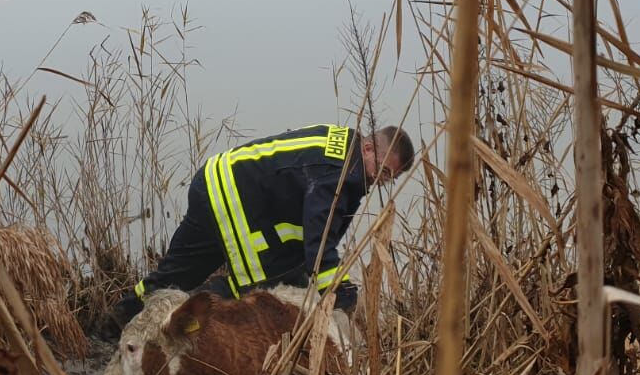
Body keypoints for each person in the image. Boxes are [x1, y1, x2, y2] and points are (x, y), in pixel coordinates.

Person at [112, 123, 414, 326]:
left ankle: (119, 319)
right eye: (383, 171)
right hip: (233, 198)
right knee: (261, 284)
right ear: (370, 148)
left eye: (390, 179)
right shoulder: (341, 172)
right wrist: (339, 292)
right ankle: (180, 319)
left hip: (216, 181)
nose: (381, 180)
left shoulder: (344, 143)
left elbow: (315, 232)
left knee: (180, 270)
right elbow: (320, 236)